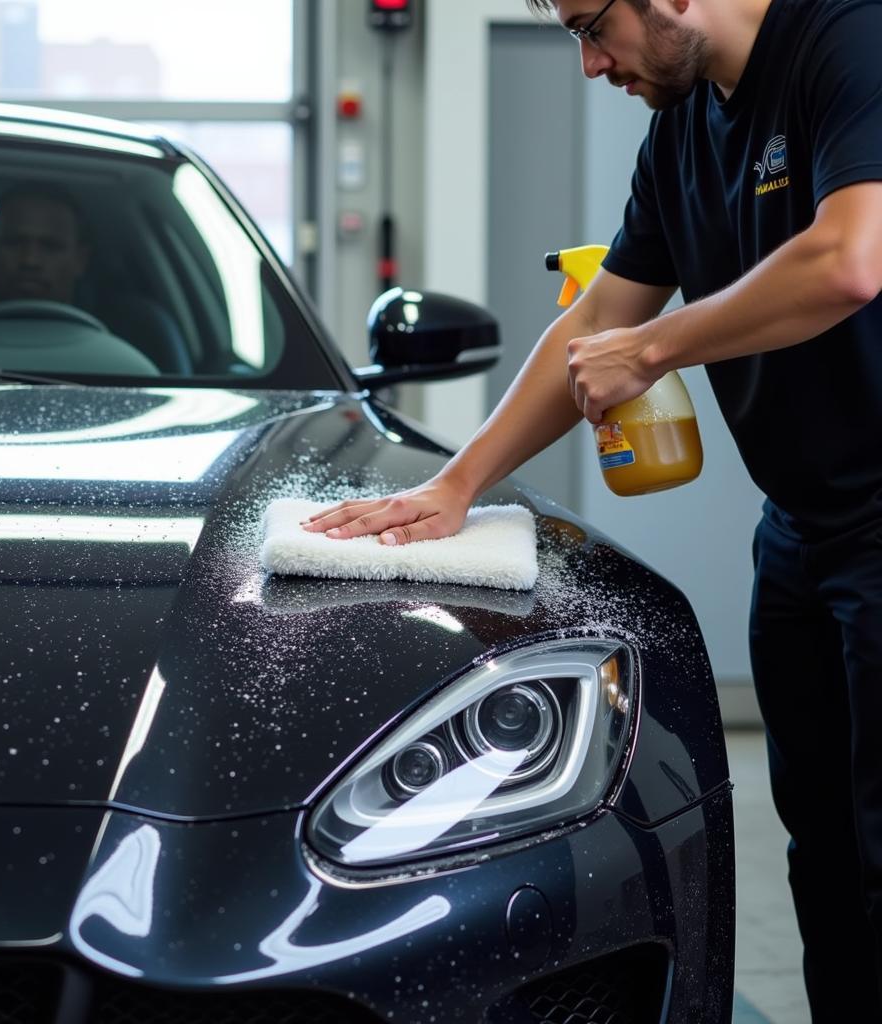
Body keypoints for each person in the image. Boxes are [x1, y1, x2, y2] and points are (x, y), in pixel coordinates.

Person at [302, 0, 882, 1018]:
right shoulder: (681, 133)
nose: (586, 63)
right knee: (822, 856)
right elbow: (600, 317)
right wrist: (456, 484)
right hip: (798, 532)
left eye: (590, 25)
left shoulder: (847, 40)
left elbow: (847, 259)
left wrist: (659, 349)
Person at [0, 183, 90, 306]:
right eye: (14, 243)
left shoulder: (113, 326)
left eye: (50, 247)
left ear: (81, 260)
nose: (30, 260)